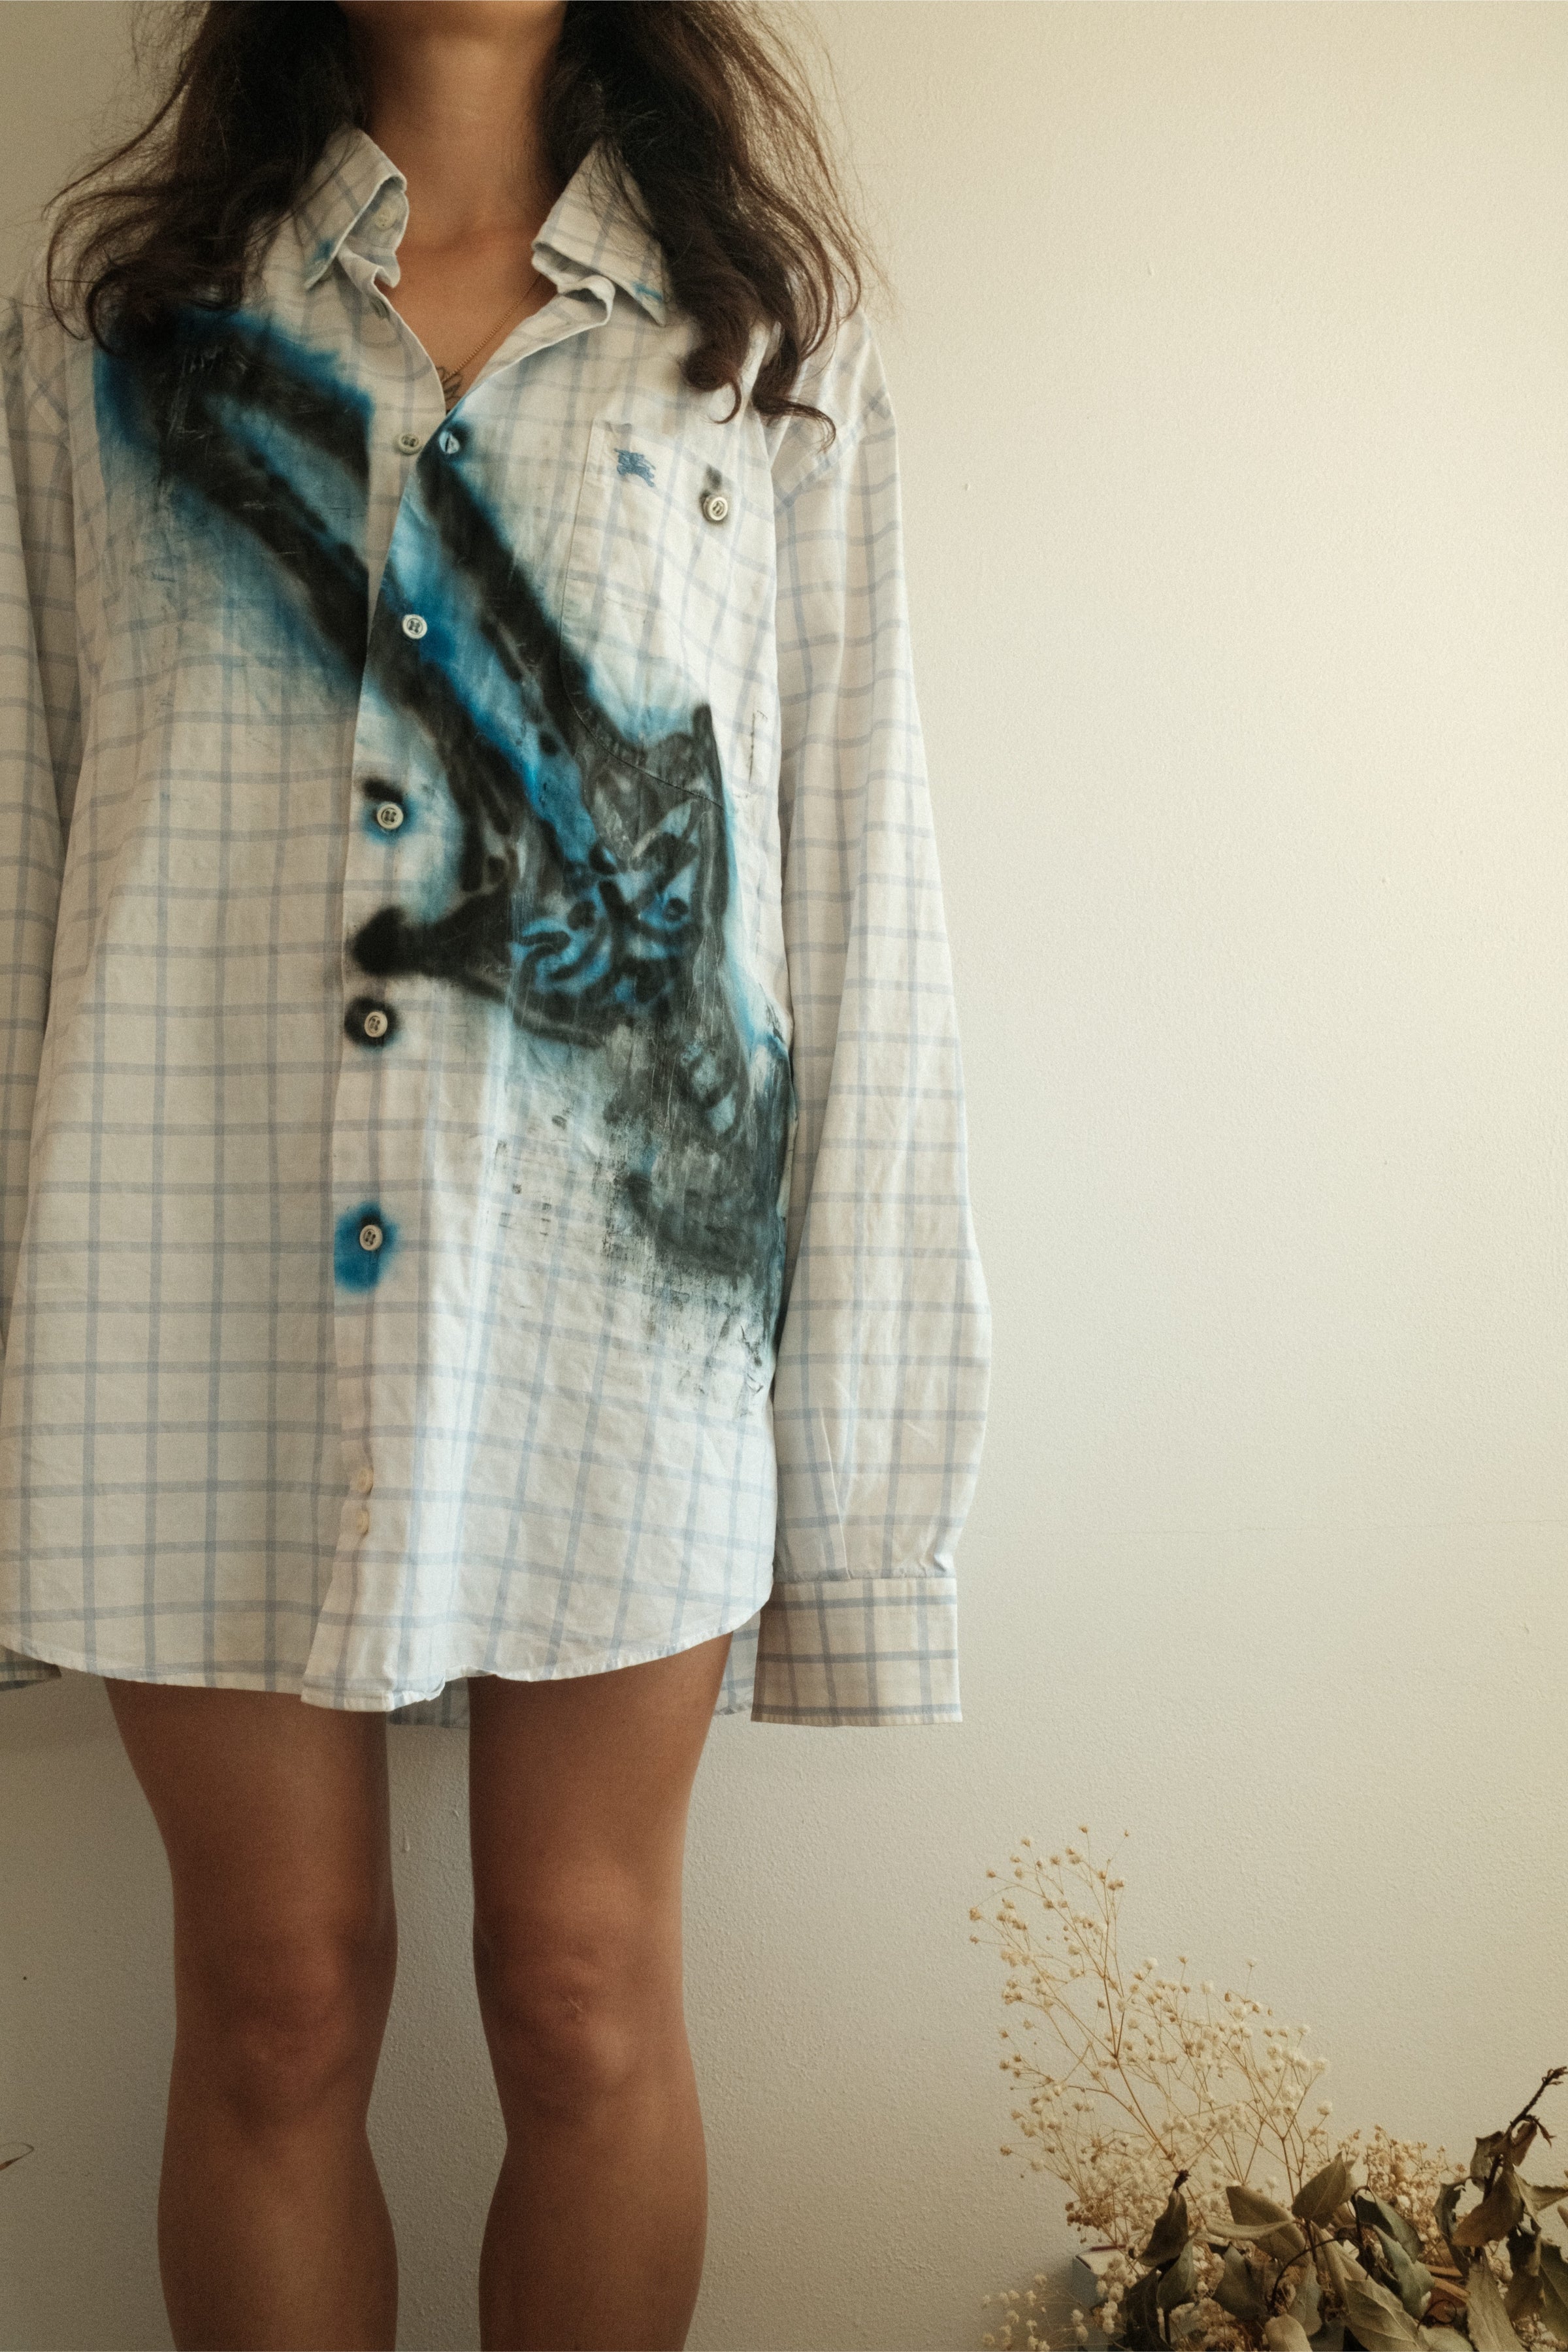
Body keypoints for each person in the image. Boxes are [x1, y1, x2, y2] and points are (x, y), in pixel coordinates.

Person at [0, 2, 991, 2345]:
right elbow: (24, 858)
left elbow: (851, 902)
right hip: (187, 1295)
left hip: (613, 1314)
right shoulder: (116, 336)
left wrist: (861, 1474)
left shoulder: (769, 354)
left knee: (579, 1995)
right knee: (270, 2004)